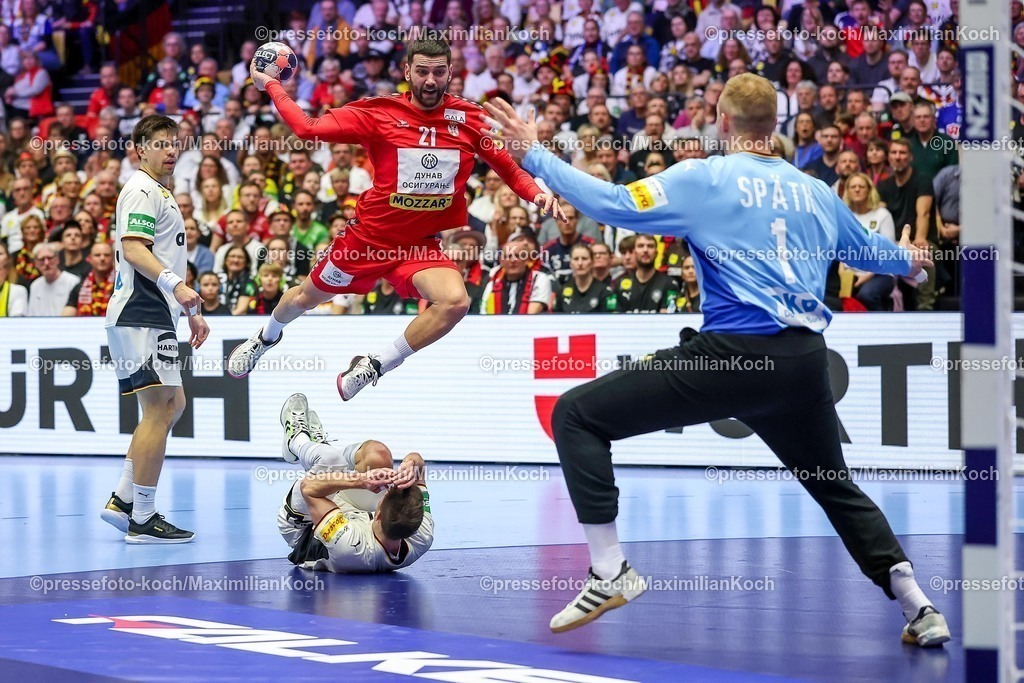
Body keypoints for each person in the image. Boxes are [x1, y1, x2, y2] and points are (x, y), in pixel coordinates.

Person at [482, 74, 947, 647]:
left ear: (722, 123)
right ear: (773, 125)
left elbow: (615, 204)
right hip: (804, 363)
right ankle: (920, 607)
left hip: (730, 358)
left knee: (576, 416)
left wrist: (534, 154)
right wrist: (916, 264)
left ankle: (610, 572)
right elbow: (874, 254)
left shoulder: (704, 177)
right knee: (835, 486)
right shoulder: (818, 192)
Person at [229, 37, 564, 401]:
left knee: (456, 302)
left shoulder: (469, 119)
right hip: (367, 241)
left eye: (439, 72)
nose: (431, 80)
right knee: (305, 298)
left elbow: (510, 170)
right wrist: (273, 85)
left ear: (451, 72)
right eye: (422, 72)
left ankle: (375, 365)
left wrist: (538, 193)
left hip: (419, 246)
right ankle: (266, 337)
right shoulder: (378, 112)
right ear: (407, 72)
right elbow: (308, 128)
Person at [101, 115, 208, 544]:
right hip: (140, 313)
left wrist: (189, 311)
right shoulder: (142, 189)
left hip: (153, 314)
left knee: (173, 404)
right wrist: (178, 286)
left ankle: (124, 499)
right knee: (158, 411)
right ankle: (142, 519)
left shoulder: (159, 191)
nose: (171, 150)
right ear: (139, 149)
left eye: (174, 143)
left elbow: (164, 255)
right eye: (161, 143)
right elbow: (134, 249)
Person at [277, 393, 433, 573]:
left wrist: (360, 480)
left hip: (305, 525)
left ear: (379, 514)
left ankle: (296, 441)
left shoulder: (352, 547)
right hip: (353, 513)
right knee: (378, 454)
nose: (384, 491)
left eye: (385, 495)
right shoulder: (421, 534)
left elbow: (309, 488)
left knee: (329, 460)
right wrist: (410, 465)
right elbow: (420, 467)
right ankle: (319, 446)